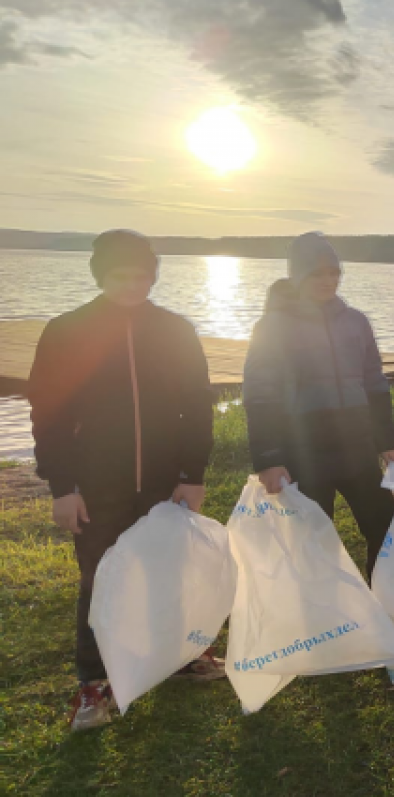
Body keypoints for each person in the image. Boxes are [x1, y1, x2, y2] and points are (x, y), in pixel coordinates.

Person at [28, 230, 217, 732]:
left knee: (168, 573)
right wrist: (62, 486)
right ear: (100, 275)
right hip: (94, 485)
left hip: (163, 482)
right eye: (120, 274)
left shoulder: (176, 330)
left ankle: (179, 657)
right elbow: (47, 415)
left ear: (153, 275)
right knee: (100, 581)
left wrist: (191, 475)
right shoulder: (67, 331)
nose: (132, 283)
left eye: (142, 274)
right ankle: (94, 685)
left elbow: (197, 406)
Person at [243, 232, 394, 582]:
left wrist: (386, 441)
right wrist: (268, 458)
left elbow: (375, 382)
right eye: (317, 274)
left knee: (388, 529)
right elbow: (259, 395)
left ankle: (383, 610)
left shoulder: (356, 322)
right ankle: (323, 622)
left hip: (356, 447)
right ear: (298, 277)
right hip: (303, 452)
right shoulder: (272, 326)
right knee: (312, 542)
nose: (328, 281)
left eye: (334, 273)